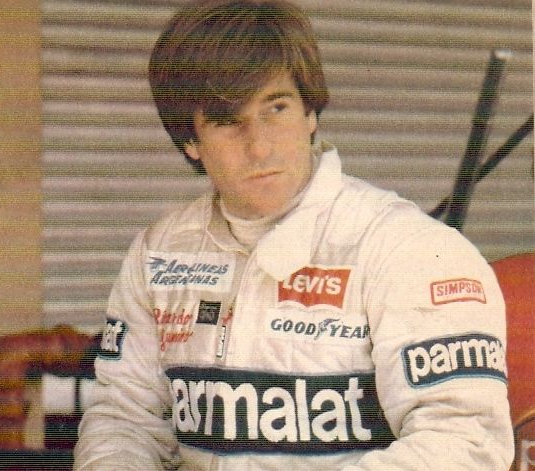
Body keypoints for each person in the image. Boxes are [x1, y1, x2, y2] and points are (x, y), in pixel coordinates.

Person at [74, 0, 514, 469]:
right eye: (227, 121)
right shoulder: (160, 254)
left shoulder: (411, 251)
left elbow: (462, 443)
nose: (259, 147)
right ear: (191, 140)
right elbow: (125, 420)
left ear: (310, 113)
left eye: (276, 108)